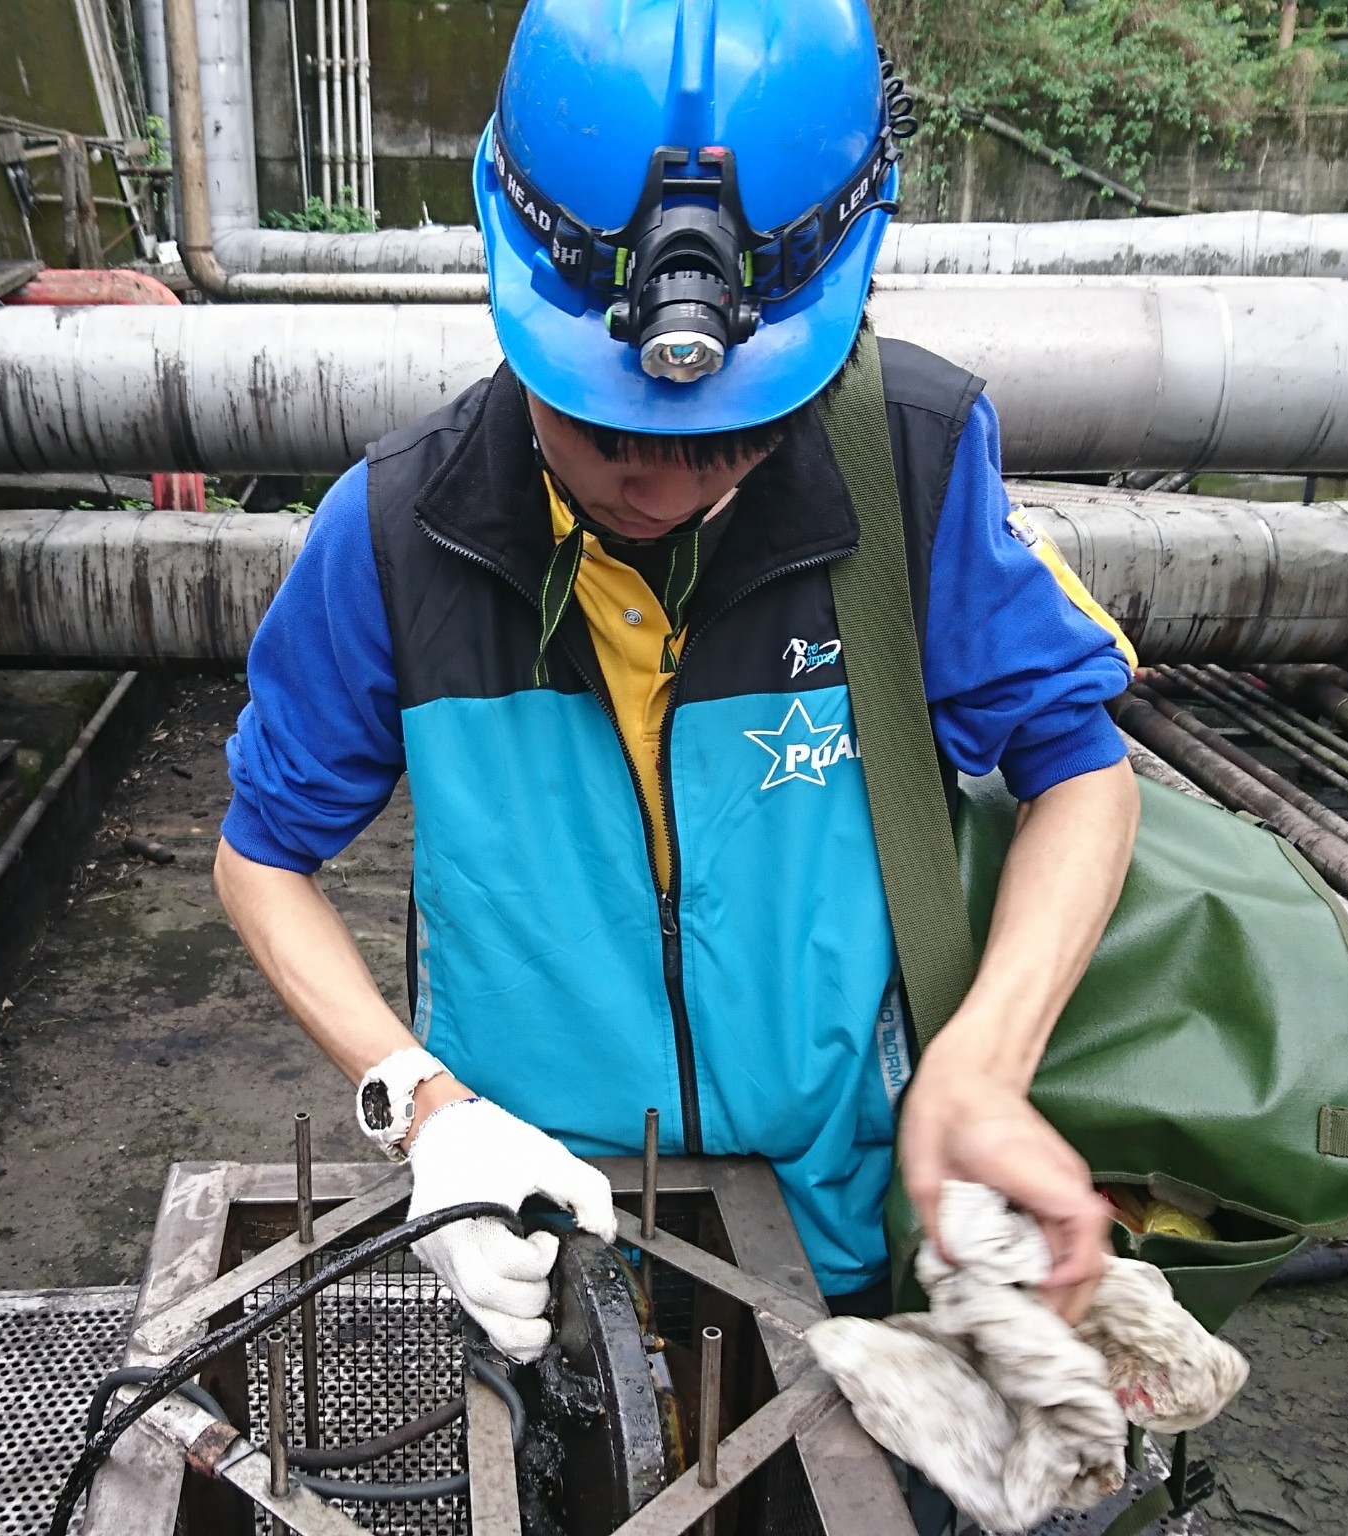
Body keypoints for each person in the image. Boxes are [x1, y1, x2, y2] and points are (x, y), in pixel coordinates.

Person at [214, 0, 1140, 1363]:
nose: (654, 481)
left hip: (852, 1212)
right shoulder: (393, 532)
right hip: (527, 1213)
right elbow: (259, 857)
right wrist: (429, 1112)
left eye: (734, 438)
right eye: (599, 428)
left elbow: (1080, 765)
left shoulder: (912, 465)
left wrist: (986, 1061)